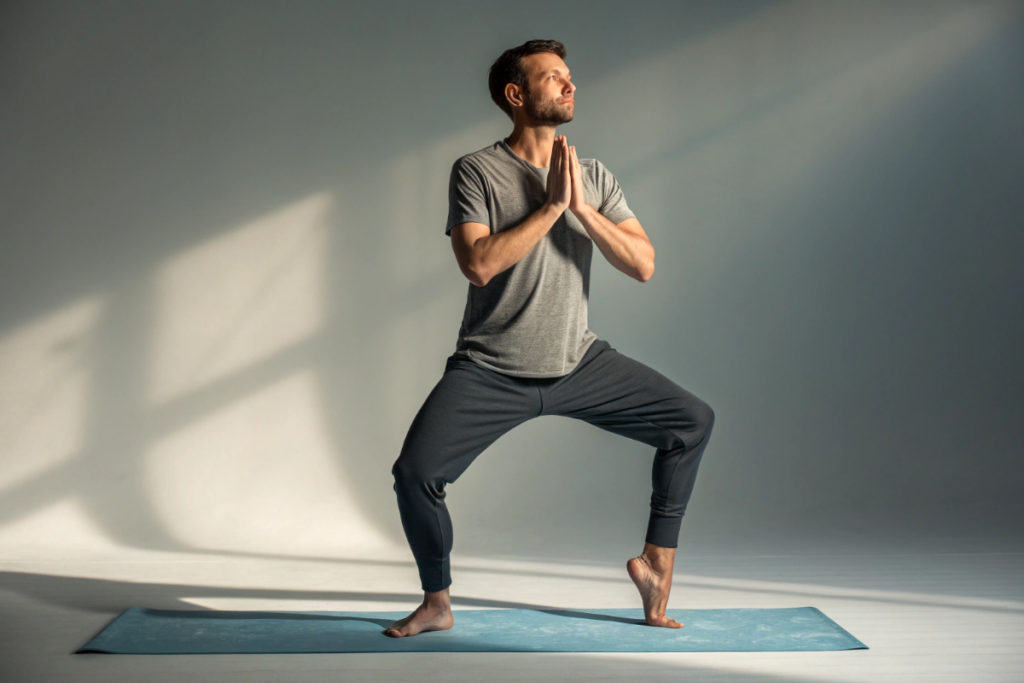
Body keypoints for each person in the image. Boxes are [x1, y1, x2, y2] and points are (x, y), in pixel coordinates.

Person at [385, 39, 715, 638]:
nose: (569, 85)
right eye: (553, 77)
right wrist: (550, 208)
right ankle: (437, 601)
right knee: (415, 474)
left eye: (569, 76)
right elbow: (478, 264)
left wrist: (583, 211)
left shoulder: (592, 175)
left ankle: (656, 566)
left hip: (578, 363)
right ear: (517, 95)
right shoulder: (477, 171)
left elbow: (643, 263)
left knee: (691, 421)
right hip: (491, 369)